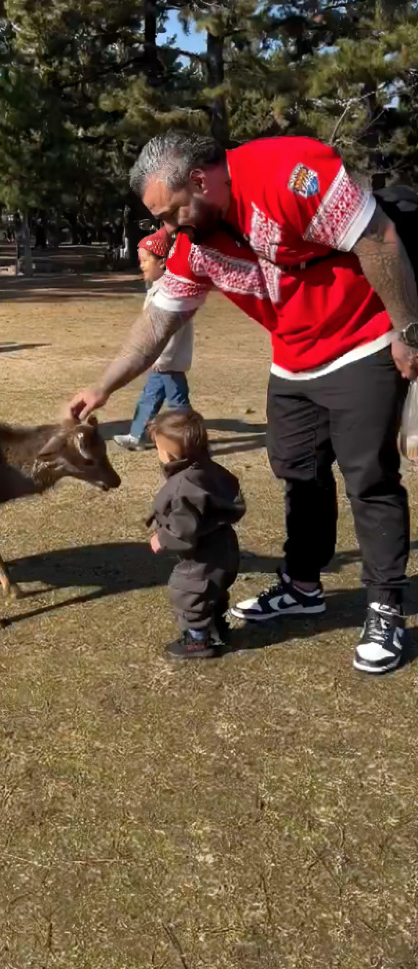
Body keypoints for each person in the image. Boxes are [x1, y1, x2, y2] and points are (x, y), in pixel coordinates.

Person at [69, 130, 418, 674]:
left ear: (201, 181)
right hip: (293, 357)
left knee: (368, 477)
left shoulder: (289, 172)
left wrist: (406, 330)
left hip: (363, 337)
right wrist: (105, 385)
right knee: (298, 471)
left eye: (172, 211)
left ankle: (385, 606)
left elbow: (379, 239)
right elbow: (158, 321)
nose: (168, 228)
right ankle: (303, 584)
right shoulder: (193, 247)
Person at [147, 409, 245, 659]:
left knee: (187, 591)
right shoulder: (207, 468)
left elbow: (182, 528)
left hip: (203, 554)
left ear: (169, 453)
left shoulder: (184, 486)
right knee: (212, 589)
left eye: (158, 447)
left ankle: (198, 640)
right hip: (224, 545)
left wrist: (162, 538)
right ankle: (217, 627)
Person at [114, 226, 193, 451]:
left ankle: (190, 438)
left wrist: (161, 358)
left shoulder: (171, 293)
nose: (141, 266)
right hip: (158, 361)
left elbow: (171, 332)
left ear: (162, 262)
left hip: (167, 361)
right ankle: (137, 435)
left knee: (178, 404)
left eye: (146, 260)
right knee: (149, 398)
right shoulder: (158, 289)